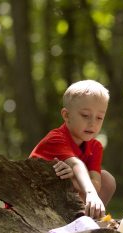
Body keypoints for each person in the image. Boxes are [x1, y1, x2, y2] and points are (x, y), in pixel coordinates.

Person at [28, 79, 116, 219]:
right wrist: (90, 193)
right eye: (85, 115)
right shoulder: (56, 138)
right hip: (32, 201)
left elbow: (97, 184)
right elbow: (75, 164)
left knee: (107, 179)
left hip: (62, 200)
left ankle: (87, 219)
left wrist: (73, 180)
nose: (92, 123)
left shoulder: (95, 146)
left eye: (99, 117)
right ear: (66, 115)